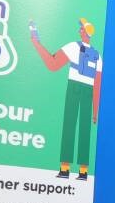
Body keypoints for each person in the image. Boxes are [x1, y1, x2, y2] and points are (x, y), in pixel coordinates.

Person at [29, 17, 102, 179]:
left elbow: (53, 65)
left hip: (74, 87)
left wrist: (37, 44)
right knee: (85, 129)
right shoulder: (97, 55)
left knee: (69, 126)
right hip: (88, 91)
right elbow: (98, 84)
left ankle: (65, 168)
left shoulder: (74, 47)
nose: (79, 30)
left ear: (84, 31)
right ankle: (83, 171)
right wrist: (95, 111)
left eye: (81, 28)